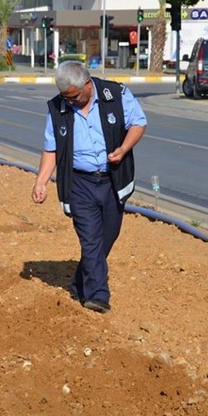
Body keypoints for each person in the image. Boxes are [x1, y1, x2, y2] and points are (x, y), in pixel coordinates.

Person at [31, 61, 147, 314]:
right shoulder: (57, 107)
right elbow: (51, 148)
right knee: (90, 239)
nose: (70, 102)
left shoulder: (115, 94)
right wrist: (41, 181)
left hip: (112, 180)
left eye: (73, 97)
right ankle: (98, 295)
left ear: (87, 84)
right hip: (79, 182)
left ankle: (79, 282)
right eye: (65, 98)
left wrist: (124, 149)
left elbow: (138, 123)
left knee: (108, 235)